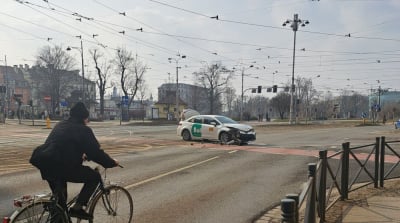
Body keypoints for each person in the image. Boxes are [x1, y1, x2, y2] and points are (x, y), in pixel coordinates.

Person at [39, 102, 118, 220]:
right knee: (95, 177)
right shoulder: (83, 130)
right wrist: (111, 162)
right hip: (62, 168)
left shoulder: (61, 124)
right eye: (87, 118)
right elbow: (96, 152)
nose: (88, 121)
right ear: (83, 117)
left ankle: (59, 218)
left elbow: (65, 146)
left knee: (60, 207)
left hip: (46, 165)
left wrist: (81, 156)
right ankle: (78, 207)